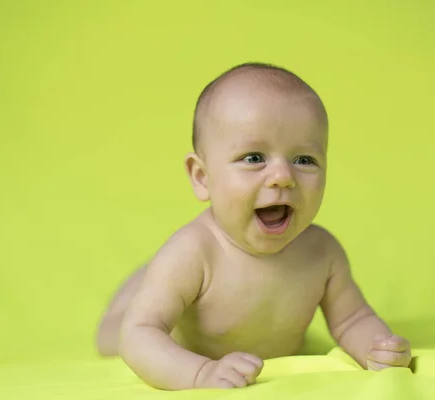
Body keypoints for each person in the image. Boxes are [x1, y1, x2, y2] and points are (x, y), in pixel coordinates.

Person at [95, 62, 411, 390]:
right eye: (254, 157)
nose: (283, 177)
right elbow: (138, 335)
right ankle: (140, 283)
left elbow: (352, 320)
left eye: (304, 160)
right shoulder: (195, 252)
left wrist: (377, 348)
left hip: (254, 366)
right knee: (111, 337)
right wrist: (201, 373)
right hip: (179, 341)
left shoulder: (322, 253)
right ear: (203, 178)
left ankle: (148, 278)